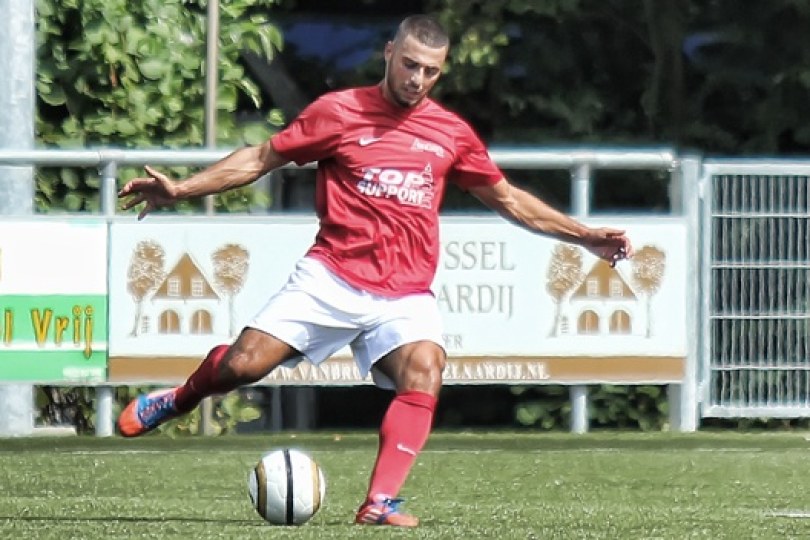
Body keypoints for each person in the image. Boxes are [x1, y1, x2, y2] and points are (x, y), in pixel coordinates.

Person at [117, 14, 634, 527]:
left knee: (426, 367)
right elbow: (259, 158)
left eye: (431, 71)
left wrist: (584, 236)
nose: (417, 78)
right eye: (410, 64)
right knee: (242, 366)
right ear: (389, 53)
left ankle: (379, 502)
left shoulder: (450, 134)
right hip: (331, 277)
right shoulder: (339, 113)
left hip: (404, 294)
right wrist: (181, 189)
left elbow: (508, 200)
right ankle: (177, 400)